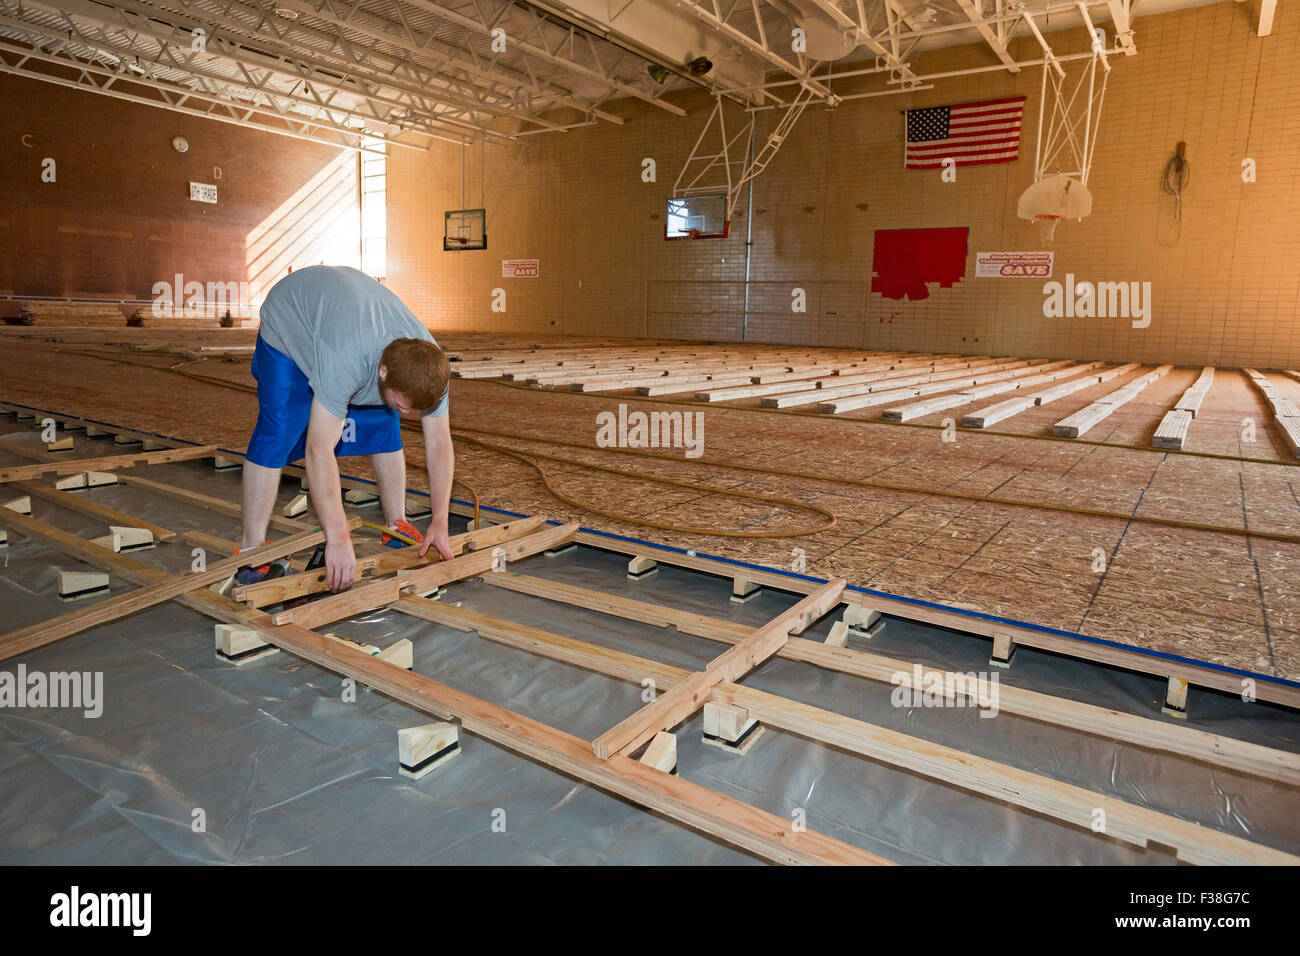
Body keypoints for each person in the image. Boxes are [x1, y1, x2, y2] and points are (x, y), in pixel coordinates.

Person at [233, 265, 455, 591]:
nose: (410, 412)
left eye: (415, 407)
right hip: (290, 323)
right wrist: (337, 537)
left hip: (345, 322)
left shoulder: (430, 368)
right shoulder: (346, 361)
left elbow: (439, 445)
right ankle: (252, 549)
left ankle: (397, 523)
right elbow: (318, 448)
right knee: (277, 430)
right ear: (382, 371)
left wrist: (440, 521)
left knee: (385, 423)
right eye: (405, 402)